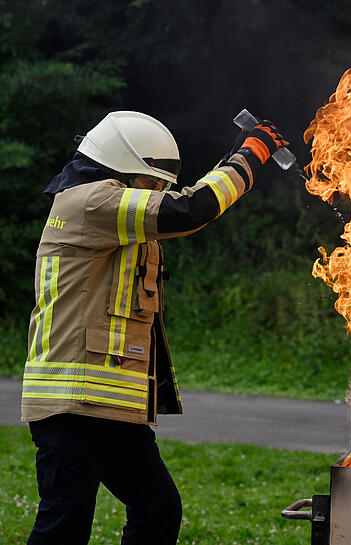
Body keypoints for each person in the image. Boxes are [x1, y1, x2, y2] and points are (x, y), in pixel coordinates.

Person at [21, 111, 289, 545]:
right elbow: (190, 208)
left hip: (107, 406)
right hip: (73, 403)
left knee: (157, 508)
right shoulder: (93, 201)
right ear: (122, 167)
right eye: (152, 183)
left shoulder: (105, 206)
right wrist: (250, 154)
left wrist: (231, 156)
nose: (159, 193)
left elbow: (188, 197)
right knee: (64, 525)